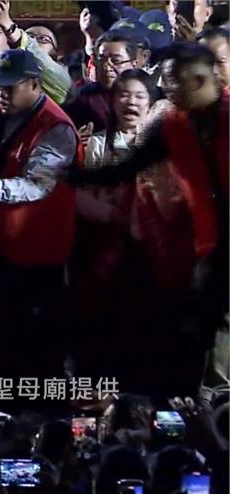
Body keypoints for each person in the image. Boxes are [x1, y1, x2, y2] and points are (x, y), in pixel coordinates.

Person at [70, 42, 229, 391]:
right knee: (193, 330)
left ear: (202, 79)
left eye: (176, 80)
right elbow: (130, 165)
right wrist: (73, 176)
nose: (168, 89)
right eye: (166, 80)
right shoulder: (173, 122)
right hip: (209, 245)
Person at [0, 49, 78, 380]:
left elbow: (36, 186)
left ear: (35, 85)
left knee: (35, 345)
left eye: (10, 87)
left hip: (37, 252)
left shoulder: (56, 128)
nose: (1, 93)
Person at [0, 0, 71, 130]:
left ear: (55, 55)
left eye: (42, 39)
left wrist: (10, 27)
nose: (33, 40)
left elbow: (41, 61)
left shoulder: (61, 82)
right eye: (30, 36)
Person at [63, 30, 142, 133]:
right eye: (101, 59)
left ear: (134, 64)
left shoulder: (150, 96)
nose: (106, 66)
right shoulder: (80, 98)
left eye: (116, 61)